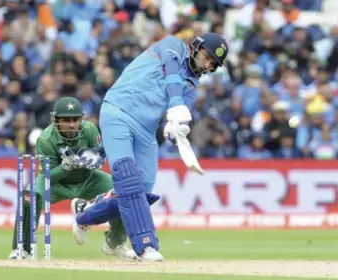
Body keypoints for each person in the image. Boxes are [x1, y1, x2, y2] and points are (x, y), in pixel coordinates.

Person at [70, 33, 228, 261]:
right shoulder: (173, 45)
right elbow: (172, 75)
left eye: (213, 64)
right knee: (128, 179)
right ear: (196, 47)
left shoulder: (192, 86)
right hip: (118, 111)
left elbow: (177, 119)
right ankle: (146, 245)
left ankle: (99, 228)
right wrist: (175, 105)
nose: (207, 64)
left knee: (141, 192)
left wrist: (175, 131)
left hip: (146, 129)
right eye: (207, 57)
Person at [9, 96, 135, 260]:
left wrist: (92, 160)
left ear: (81, 119)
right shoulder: (46, 139)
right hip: (56, 183)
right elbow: (47, 175)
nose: (71, 124)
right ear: (55, 120)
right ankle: (22, 248)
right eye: (65, 120)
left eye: (75, 119)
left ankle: (115, 243)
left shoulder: (89, 130)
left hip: (87, 179)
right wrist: (65, 166)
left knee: (121, 189)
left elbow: (100, 159)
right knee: (29, 195)